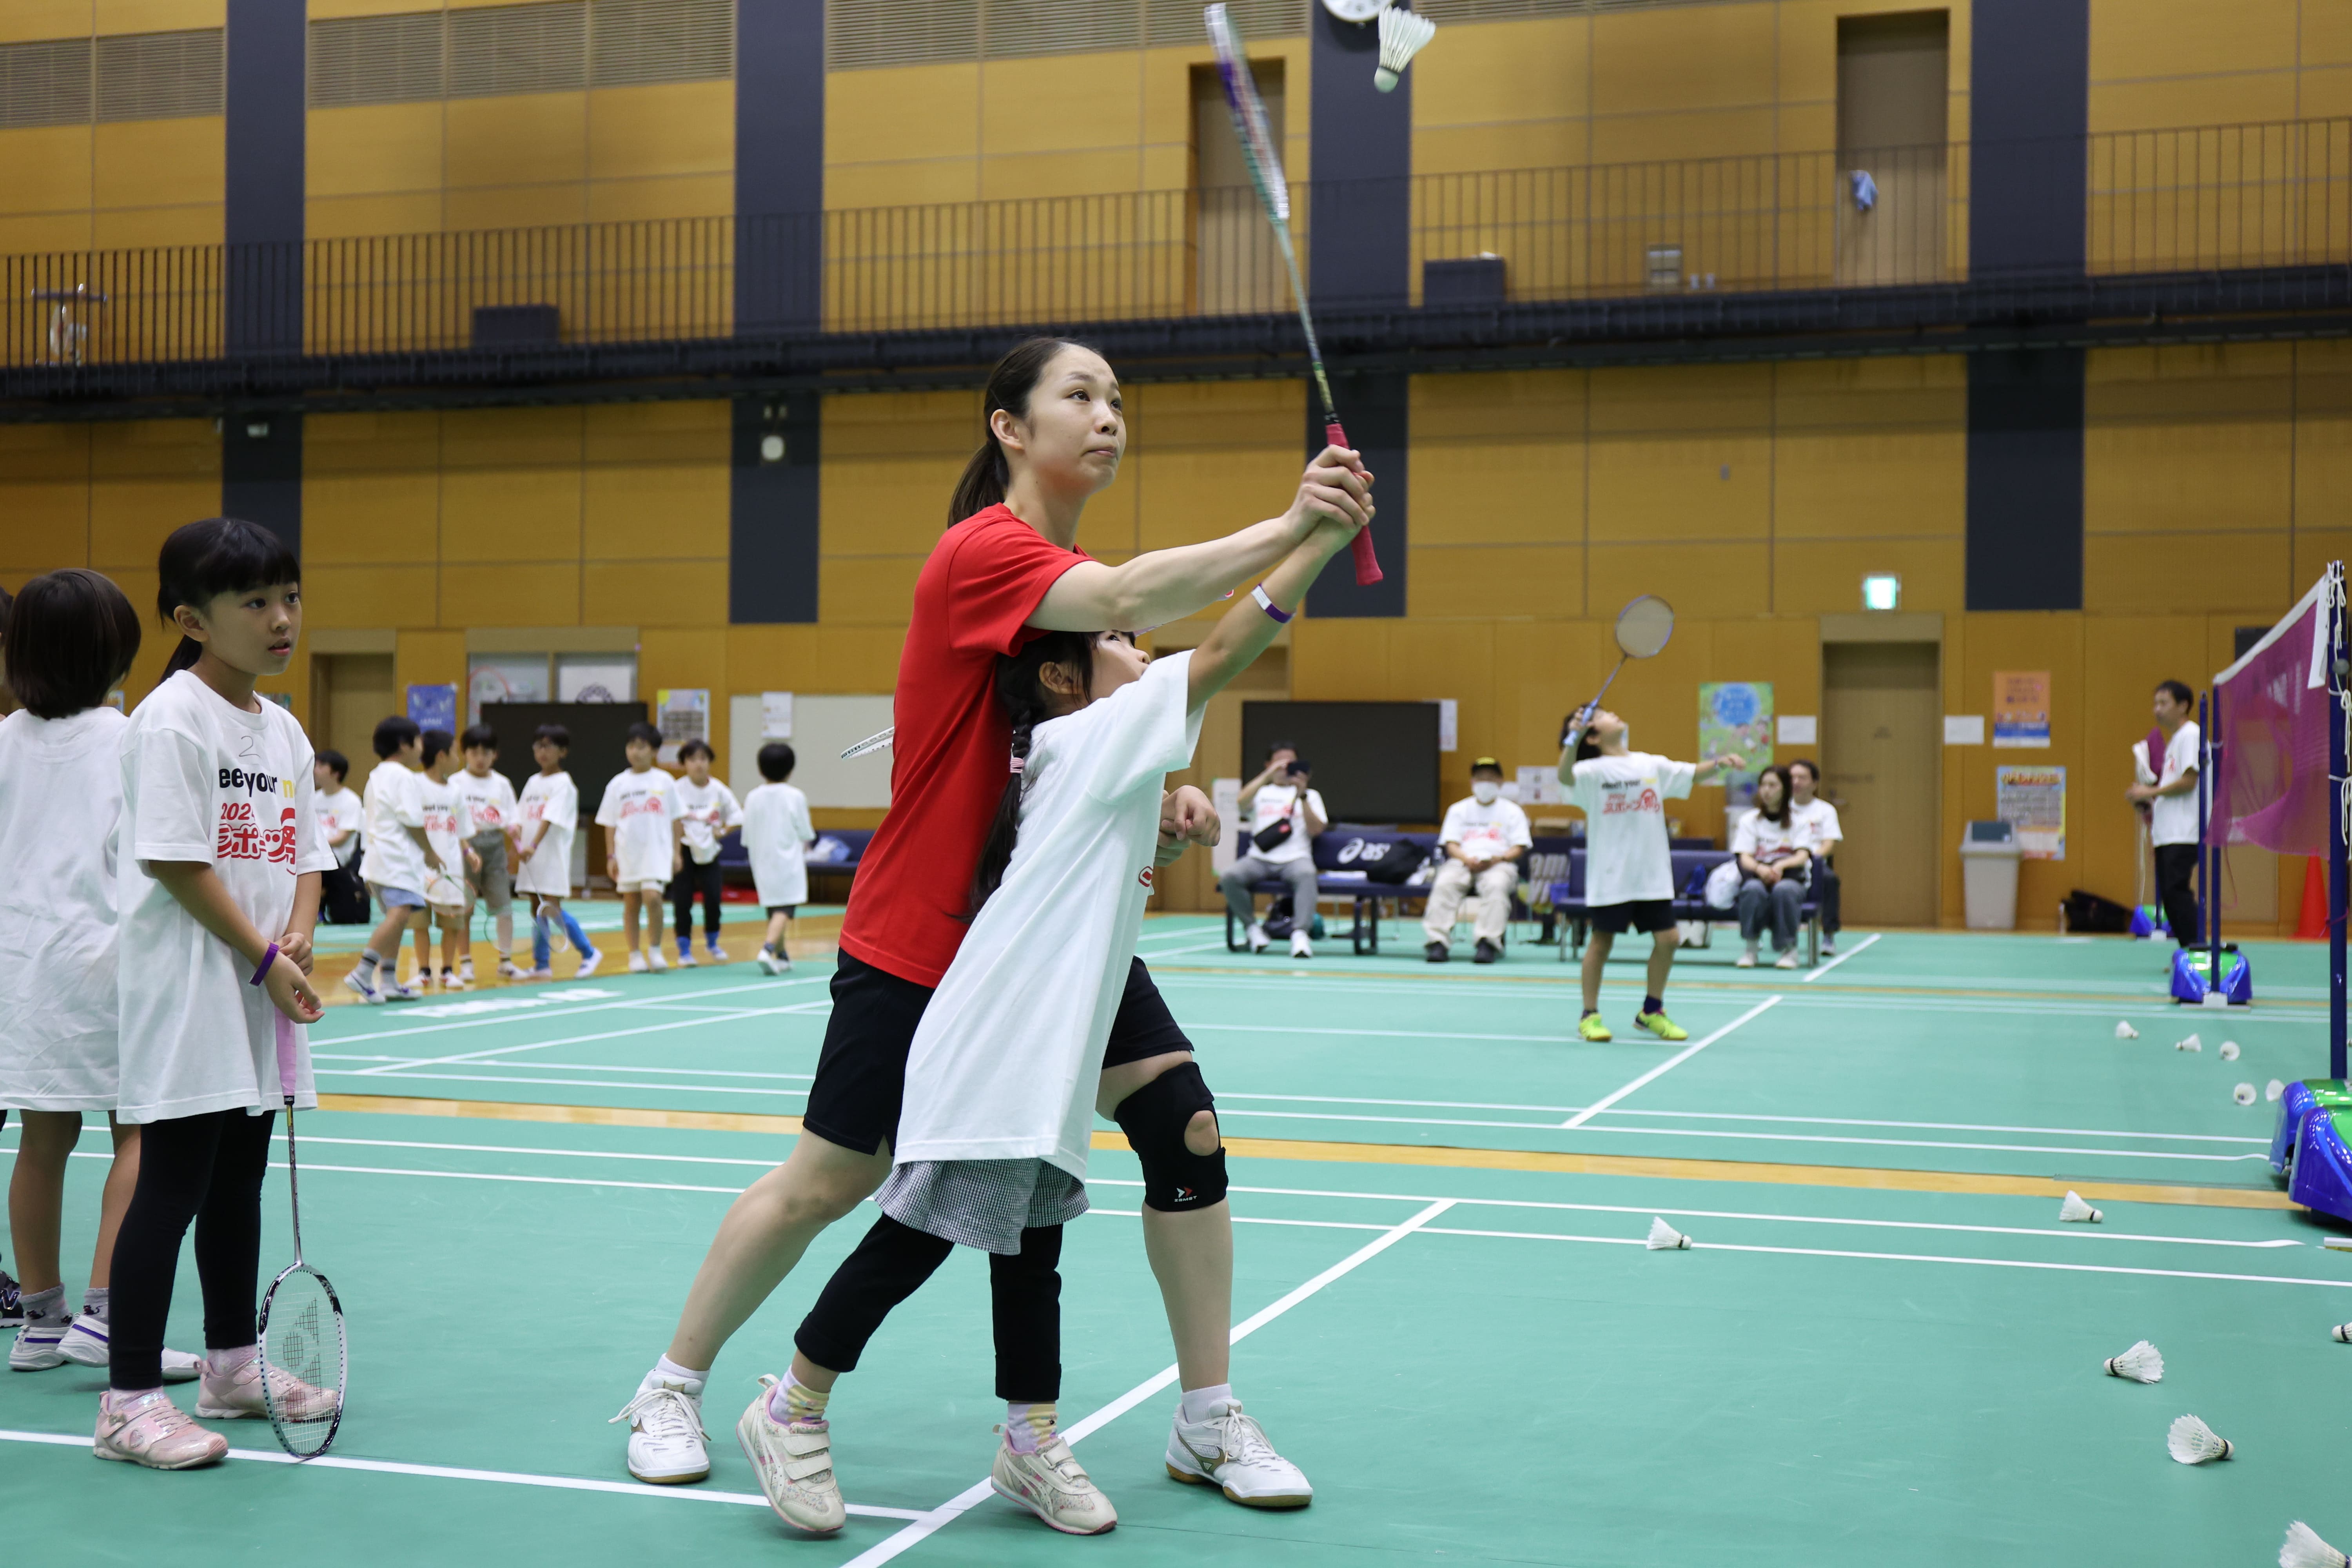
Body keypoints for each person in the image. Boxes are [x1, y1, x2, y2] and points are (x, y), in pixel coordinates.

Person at [614, 336, 1368, 1523]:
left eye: (1117, 399)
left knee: (1181, 1126)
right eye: (1079, 395)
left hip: (1050, 935)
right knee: (833, 1180)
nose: (1106, 415)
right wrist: (1293, 528)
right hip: (928, 931)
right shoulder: (985, 555)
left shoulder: (1060, 579)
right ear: (1008, 426)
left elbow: (1089, 723)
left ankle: (1202, 1411)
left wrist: (1161, 798)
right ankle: (673, 1383)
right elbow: (1136, 605)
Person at [780, 521, 1349, 1535]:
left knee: (1033, 1242)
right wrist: (1315, 540)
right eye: (1123, 639)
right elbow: (1225, 651)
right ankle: (792, 1404)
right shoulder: (1092, 736)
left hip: (1056, 1032)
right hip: (1001, 1039)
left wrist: (1176, 804)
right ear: (1061, 681)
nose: (1143, 647)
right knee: (915, 1239)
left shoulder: (1092, 743)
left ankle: (1030, 1438)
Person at [100, 516, 336, 1469]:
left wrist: (303, 929)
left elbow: (306, 852)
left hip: (256, 987)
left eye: (290, 597)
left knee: (238, 1179)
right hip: (193, 989)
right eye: (257, 602)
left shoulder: (281, 725)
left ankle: (233, 1363)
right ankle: (125, 1401)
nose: (283, 619)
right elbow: (172, 859)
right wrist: (261, 957)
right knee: (173, 1185)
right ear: (192, 618)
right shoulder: (170, 719)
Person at [0, 570, 201, 1381]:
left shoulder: (6, 737)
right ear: (112, 651)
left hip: (22, 971)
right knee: (140, 1133)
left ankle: (40, 1322)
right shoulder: (128, 738)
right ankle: (106, 1313)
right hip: (109, 963)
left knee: (42, 1139)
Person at [1557, 707, 1744, 1042]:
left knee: (1669, 939)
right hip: (1612, 874)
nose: (1613, 714)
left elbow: (1691, 774)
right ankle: (1590, 1015)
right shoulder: (1589, 770)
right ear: (1594, 735)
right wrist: (1572, 741)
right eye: (1602, 715)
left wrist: (1721, 762)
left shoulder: (1648, 764)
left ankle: (1652, 1011)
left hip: (1651, 873)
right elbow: (1565, 778)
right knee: (1602, 943)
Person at [346, 715, 437, 1003]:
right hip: (395, 860)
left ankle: (388, 981)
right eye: (419, 740)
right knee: (399, 916)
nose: (423, 747)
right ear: (404, 744)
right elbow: (412, 821)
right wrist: (431, 852)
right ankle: (362, 973)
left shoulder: (377, 775)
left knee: (397, 919)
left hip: (377, 860)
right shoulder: (403, 776)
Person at [1218, 743, 1325, 958]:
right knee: (1230, 877)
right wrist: (1268, 775)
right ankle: (1253, 930)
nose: (1285, 768)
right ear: (1269, 765)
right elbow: (1240, 804)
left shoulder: (1311, 795)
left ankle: (1300, 936)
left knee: (1307, 874)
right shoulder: (1261, 792)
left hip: (1296, 859)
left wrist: (1302, 795)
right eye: (1279, 763)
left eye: (1290, 763)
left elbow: (1317, 830)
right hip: (1259, 859)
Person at [1422, 755, 1531, 964]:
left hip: (1499, 864)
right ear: (1472, 782)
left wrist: (1498, 858)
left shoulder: (1512, 811)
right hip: (1462, 861)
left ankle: (1487, 943)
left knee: (1497, 886)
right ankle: (1438, 943)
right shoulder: (1458, 809)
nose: (1485, 782)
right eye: (1480, 778)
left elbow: (1520, 846)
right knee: (1445, 884)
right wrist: (1466, 858)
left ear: (1501, 782)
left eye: (1491, 778)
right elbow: (1451, 844)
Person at [598, 721, 684, 973]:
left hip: (657, 851)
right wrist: (611, 855)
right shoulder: (617, 784)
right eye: (631, 746)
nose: (636, 752)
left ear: (654, 751)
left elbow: (676, 819)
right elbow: (609, 823)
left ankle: (655, 949)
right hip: (628, 851)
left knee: (653, 897)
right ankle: (634, 954)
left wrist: (677, 852)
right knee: (631, 902)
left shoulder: (665, 781)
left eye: (642, 747)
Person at [516, 723, 599, 980]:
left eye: (549, 746)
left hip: (550, 855)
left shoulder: (564, 784)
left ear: (562, 751)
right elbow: (519, 818)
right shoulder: (532, 782)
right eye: (538, 746)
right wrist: (516, 849)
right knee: (536, 907)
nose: (543, 751)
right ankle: (542, 965)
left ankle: (589, 952)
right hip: (530, 858)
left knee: (551, 907)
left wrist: (533, 845)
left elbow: (549, 818)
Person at [2127, 679, 2202, 947]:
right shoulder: (2175, 743)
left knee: (2176, 893)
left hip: (2184, 832)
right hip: (2168, 833)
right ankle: (2190, 952)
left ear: (2183, 706)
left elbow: (2190, 781)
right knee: (2171, 896)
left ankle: (2197, 951)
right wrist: (2147, 801)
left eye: (2164, 703)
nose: (2157, 710)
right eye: (2155, 704)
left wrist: (2149, 793)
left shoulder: (2191, 736)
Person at [453, 723, 525, 982]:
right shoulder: (456, 783)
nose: (480, 758)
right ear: (464, 754)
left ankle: (506, 961)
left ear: (495, 754)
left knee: (504, 908)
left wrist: (515, 828)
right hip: (465, 847)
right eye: (474, 752)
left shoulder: (502, 784)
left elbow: (512, 818)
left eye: (486, 752)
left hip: (495, 847)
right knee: (464, 909)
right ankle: (465, 964)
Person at [740, 741, 815, 975]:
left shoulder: (752, 797)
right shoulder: (795, 796)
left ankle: (782, 956)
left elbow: (746, 836)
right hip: (787, 860)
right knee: (784, 909)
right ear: (791, 769)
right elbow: (805, 832)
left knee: (775, 908)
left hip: (761, 859)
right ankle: (767, 949)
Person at [670, 738, 741, 967]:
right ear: (684, 764)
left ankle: (712, 942)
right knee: (682, 901)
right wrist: (675, 854)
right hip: (684, 850)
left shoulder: (719, 790)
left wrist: (723, 831)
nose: (698, 764)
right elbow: (671, 821)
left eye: (703, 759)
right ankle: (684, 949)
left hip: (710, 852)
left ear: (709, 762)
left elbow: (738, 817)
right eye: (692, 759)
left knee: (713, 898)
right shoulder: (677, 789)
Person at [1731, 764, 1810, 969]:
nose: (1767, 790)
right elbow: (1744, 857)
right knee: (1751, 890)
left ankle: (1789, 951)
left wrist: (1781, 865)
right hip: (1758, 877)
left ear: (1785, 789)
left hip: (1791, 879)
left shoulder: (1799, 821)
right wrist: (1760, 869)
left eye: (1773, 785)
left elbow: (1803, 855)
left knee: (1784, 891)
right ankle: (1751, 948)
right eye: (1763, 785)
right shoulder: (1749, 820)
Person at [416, 728, 477, 990]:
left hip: (451, 868)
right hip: (420, 869)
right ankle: (423, 971)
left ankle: (448, 970)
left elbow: (460, 829)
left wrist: (468, 851)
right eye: (455, 752)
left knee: (451, 924)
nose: (459, 758)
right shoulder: (416, 786)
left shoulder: (456, 791)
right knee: (420, 923)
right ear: (442, 756)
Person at [1784, 759, 1842, 955]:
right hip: (1786, 862)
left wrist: (1809, 858)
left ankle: (1828, 936)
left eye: (1802, 778)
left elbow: (1829, 844)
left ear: (1815, 784)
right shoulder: (1781, 809)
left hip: (1813, 863)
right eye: (1792, 777)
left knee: (1829, 880)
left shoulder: (1826, 810)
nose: (1796, 782)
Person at [312, 748, 370, 925]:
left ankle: (316, 908)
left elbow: (343, 837)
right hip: (315, 851)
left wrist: (315, 845)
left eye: (322, 766)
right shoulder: (314, 798)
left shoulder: (351, 801)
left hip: (338, 858)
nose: (315, 769)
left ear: (336, 773)